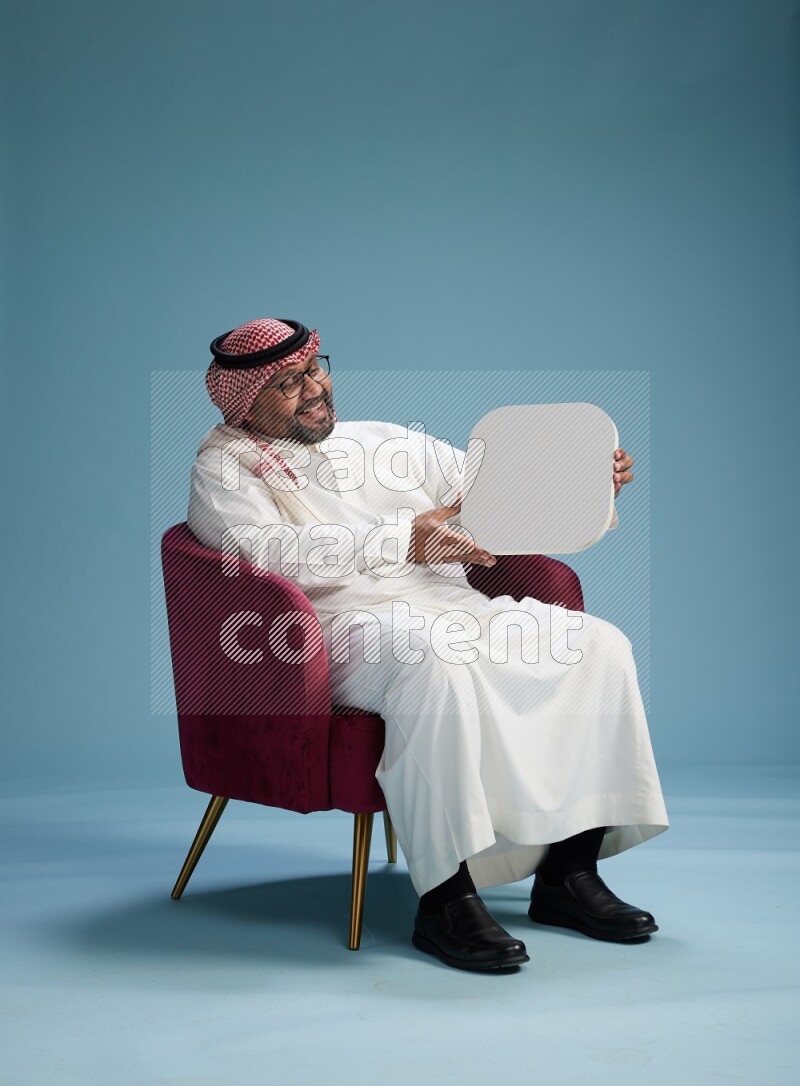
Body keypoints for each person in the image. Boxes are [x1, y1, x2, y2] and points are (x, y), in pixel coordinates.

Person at [187, 317, 670, 973]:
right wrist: (398, 540)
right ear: (246, 403)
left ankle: (568, 874)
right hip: (332, 630)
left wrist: (587, 484)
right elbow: (267, 554)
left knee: (595, 646)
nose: (314, 388)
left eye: (316, 368)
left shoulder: (380, 441)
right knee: (433, 664)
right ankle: (446, 899)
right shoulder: (225, 468)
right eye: (289, 383)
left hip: (448, 603)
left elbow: (488, 490)